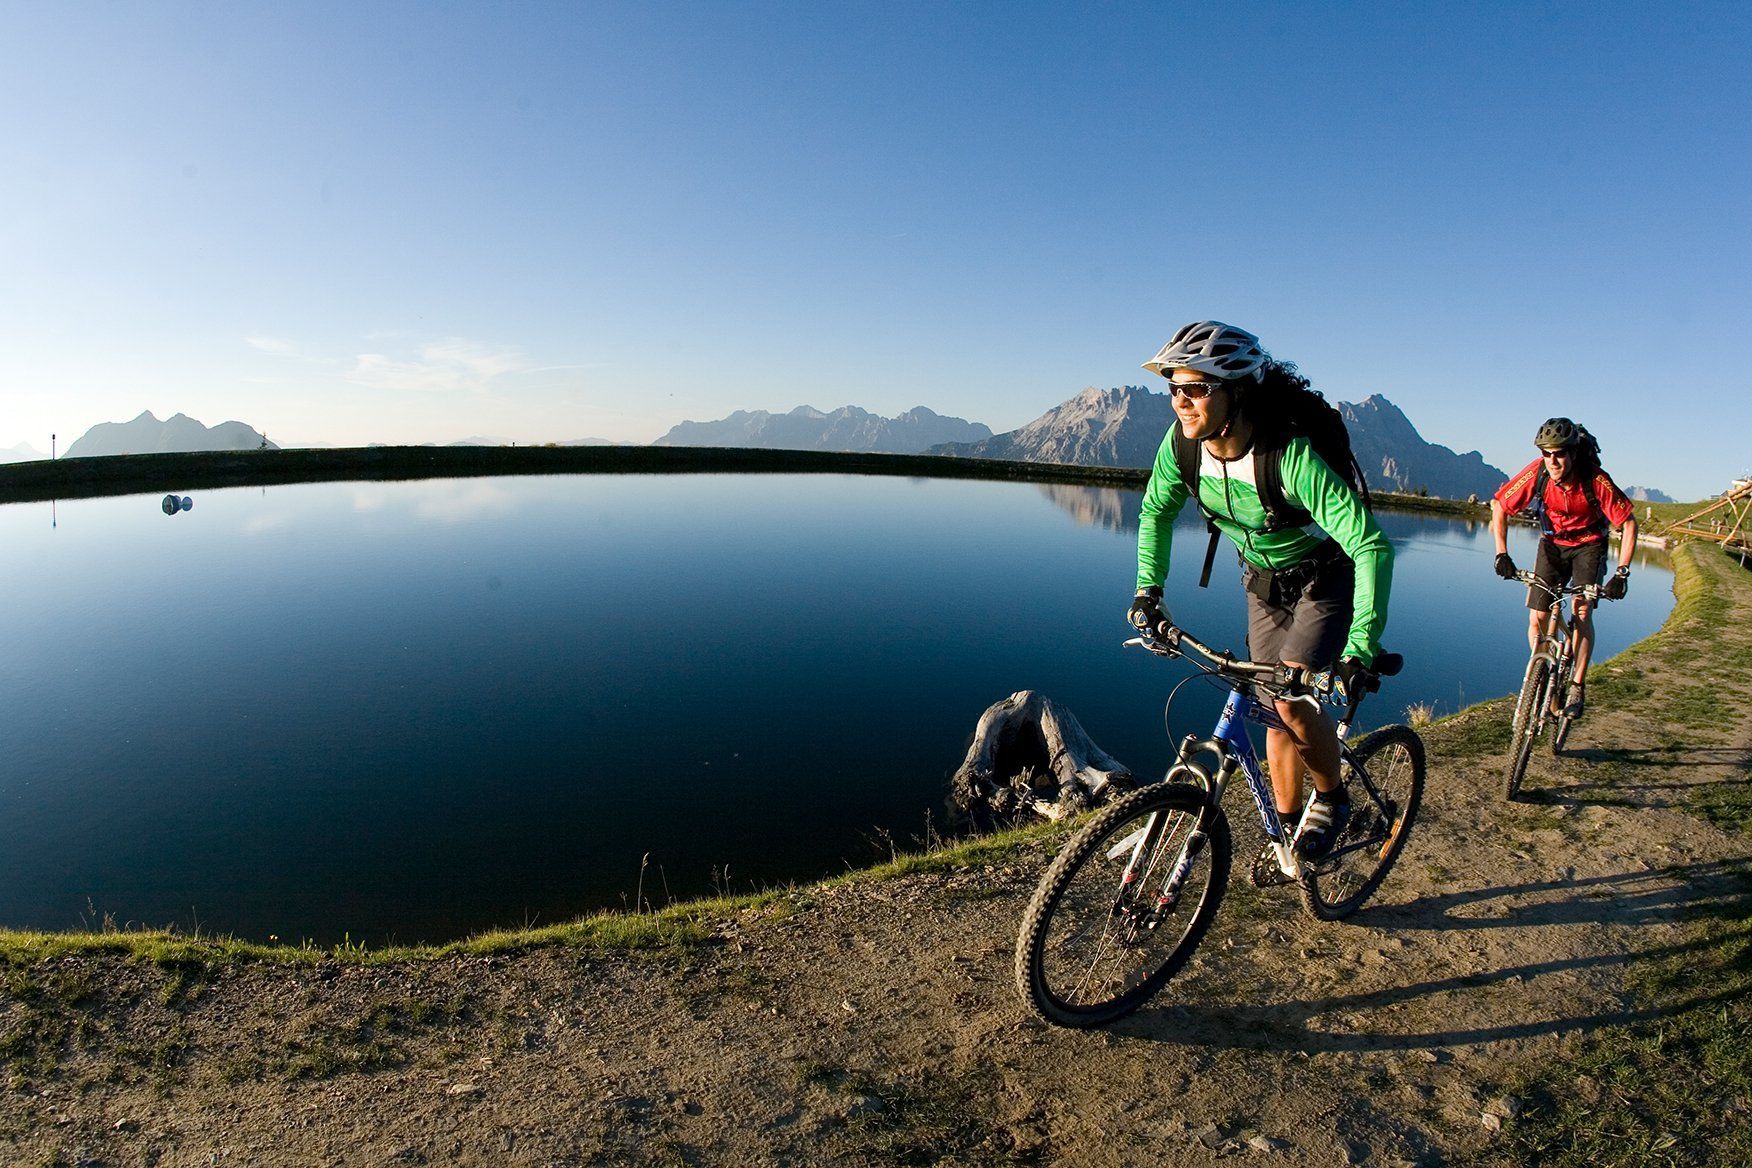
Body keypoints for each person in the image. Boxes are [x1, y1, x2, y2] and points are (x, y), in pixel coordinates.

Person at [1126, 321, 1393, 859]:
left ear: (1237, 391)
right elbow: (1156, 511)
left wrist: (1359, 648)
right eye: (1173, 388)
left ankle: (1333, 798)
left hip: (1325, 576)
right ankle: (1289, 836)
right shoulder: (1183, 446)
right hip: (1262, 581)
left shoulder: (1287, 456)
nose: (1181, 401)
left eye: (1196, 388)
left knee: (1294, 702)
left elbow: (1370, 545)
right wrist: (1147, 592)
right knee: (1270, 710)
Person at [1489, 417, 1637, 719]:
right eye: (1546, 453)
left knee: (1581, 611)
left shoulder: (1595, 479)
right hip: (1552, 545)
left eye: (1559, 453)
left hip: (1590, 546)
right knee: (1537, 619)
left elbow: (1629, 524)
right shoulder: (1538, 472)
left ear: (1572, 453)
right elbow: (1500, 506)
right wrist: (1501, 554)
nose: (1552, 460)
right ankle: (1543, 672)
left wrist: (1621, 573)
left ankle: (1577, 686)